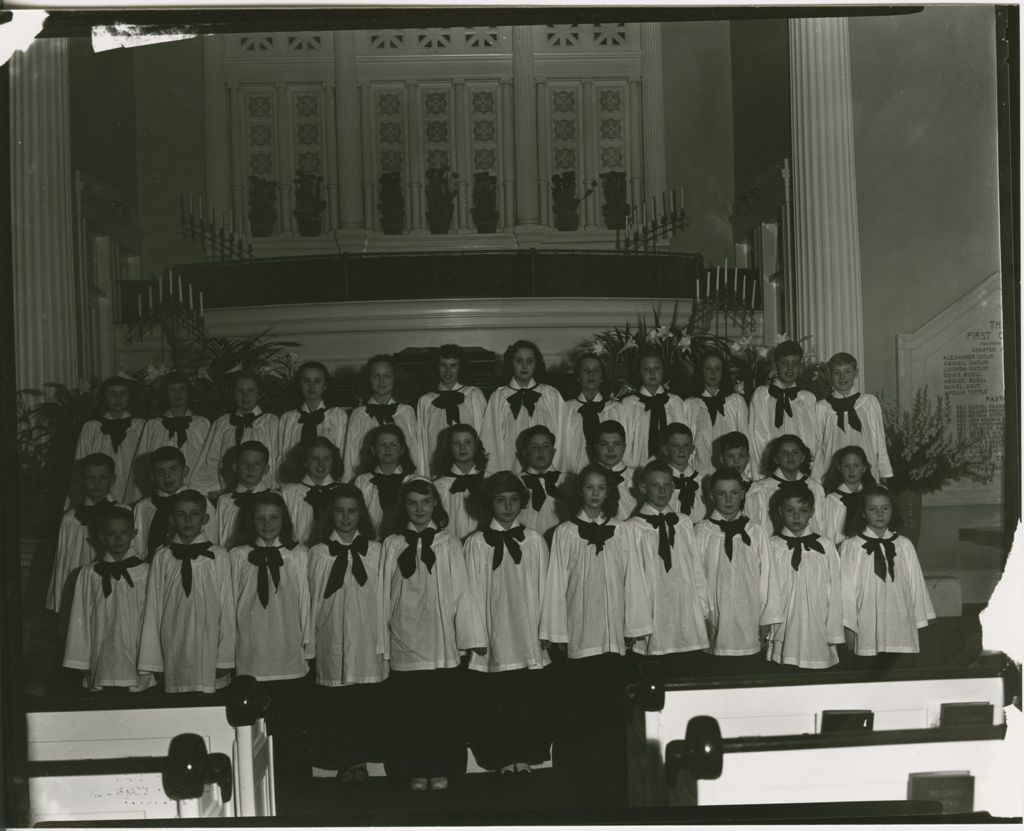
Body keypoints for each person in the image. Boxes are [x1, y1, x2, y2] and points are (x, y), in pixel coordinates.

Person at [540, 464, 651, 806]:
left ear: (609, 492)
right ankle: (581, 776)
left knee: (613, 707)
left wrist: (633, 626)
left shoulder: (623, 531)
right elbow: (556, 583)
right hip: (579, 633)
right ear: (579, 492)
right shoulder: (565, 533)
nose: (594, 493)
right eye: (588, 487)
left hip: (614, 635)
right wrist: (557, 631)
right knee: (580, 706)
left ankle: (613, 773)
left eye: (601, 488)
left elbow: (634, 578)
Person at [378, 479, 486, 792]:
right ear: (404, 507)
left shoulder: (448, 543)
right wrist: (382, 642)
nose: (420, 509)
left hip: (441, 640)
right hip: (405, 638)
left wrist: (469, 636)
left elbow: (462, 592)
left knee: (442, 712)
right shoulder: (393, 543)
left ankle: (442, 767)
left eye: (426, 503)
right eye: (413, 503)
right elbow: (383, 595)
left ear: (435, 505)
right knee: (410, 712)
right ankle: (414, 769)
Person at [463, 472, 552, 773]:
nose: (508, 506)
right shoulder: (476, 544)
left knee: (525, 697)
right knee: (496, 697)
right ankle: (501, 758)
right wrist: (476, 633)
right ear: (490, 504)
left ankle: (524, 757)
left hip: (526, 630)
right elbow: (470, 594)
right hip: (494, 632)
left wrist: (545, 629)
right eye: (501, 500)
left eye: (514, 500)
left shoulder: (535, 541)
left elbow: (545, 588)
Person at [228, 491, 313, 779]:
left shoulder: (297, 554)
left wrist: (306, 648)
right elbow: (230, 607)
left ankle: (297, 790)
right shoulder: (237, 556)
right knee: (255, 734)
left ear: (284, 520)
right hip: (251, 658)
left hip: (289, 656)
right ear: (251, 521)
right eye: (261, 518)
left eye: (274, 518)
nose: (267, 524)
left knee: (290, 731)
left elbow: (305, 603)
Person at [306, 485, 387, 782]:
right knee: (337, 705)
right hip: (332, 638)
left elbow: (383, 598)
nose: (345, 517)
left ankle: (361, 762)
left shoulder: (376, 551)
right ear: (330, 514)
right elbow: (310, 599)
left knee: (363, 703)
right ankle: (345, 762)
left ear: (361, 514)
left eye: (352, 511)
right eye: (339, 511)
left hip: (367, 637)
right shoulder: (317, 553)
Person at [138, 490, 235, 692]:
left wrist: (224, 658)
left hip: (209, 649)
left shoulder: (219, 556)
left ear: (205, 518)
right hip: (173, 646)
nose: (188, 520)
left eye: (195, 514)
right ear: (172, 519)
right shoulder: (163, 557)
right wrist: (153, 661)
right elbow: (153, 610)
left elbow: (227, 609)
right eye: (181, 514)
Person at [694, 468, 782, 675]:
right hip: (716, 619)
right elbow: (696, 579)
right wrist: (702, 617)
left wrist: (766, 619)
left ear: (742, 493)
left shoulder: (756, 531)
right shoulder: (701, 532)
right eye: (721, 493)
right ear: (710, 496)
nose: (728, 499)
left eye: (734, 492)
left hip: (749, 618)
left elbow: (768, 578)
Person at [627, 461, 710, 675]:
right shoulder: (632, 528)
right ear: (643, 488)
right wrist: (635, 622)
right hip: (653, 614)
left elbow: (696, 570)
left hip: (684, 613)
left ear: (673, 488)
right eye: (655, 485)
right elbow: (631, 580)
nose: (662, 490)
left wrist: (703, 612)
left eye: (666, 485)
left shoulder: (683, 523)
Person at [839, 486, 935, 670]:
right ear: (863, 513)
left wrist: (918, 620)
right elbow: (845, 591)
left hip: (900, 621)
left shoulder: (904, 545)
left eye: (885, 508)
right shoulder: (851, 547)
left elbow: (915, 584)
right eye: (872, 509)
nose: (880, 513)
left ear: (893, 510)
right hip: (866, 622)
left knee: (900, 673)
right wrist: (848, 625)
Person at [62, 506, 154, 692]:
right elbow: (79, 621)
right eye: (111, 533)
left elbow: (152, 620)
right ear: (101, 536)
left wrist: (151, 662)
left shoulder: (146, 572)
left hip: (137, 661)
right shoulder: (89, 574)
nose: (118, 538)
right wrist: (81, 663)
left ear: (134, 533)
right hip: (101, 659)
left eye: (123, 532)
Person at [765, 485, 844, 670]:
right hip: (784, 625)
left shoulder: (825, 545)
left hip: (818, 625)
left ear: (812, 512)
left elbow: (836, 590)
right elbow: (766, 591)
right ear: (779, 512)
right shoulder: (772, 547)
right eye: (790, 510)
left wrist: (833, 630)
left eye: (803, 510)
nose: (796, 516)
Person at [47, 454, 119, 614]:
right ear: (80, 479)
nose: (96, 483)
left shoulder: (123, 514)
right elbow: (63, 563)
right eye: (90, 478)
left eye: (103, 477)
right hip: (79, 587)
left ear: (113, 479)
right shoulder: (70, 519)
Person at [191, 372, 280, 499]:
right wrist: (213, 490)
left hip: (264, 494)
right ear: (233, 394)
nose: (245, 395)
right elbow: (210, 459)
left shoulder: (270, 422)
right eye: (240, 391)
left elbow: (278, 458)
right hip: (229, 495)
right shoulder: (222, 423)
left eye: (250, 390)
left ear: (259, 394)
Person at [481, 340, 565, 473]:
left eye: (530, 361)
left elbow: (561, 436)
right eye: (519, 361)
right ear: (511, 363)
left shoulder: (550, 394)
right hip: (510, 472)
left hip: (546, 472)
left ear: (536, 364)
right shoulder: (498, 397)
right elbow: (491, 440)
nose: (524, 366)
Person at [813, 352, 892, 482]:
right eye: (837, 372)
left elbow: (879, 438)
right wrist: (817, 475)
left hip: (865, 467)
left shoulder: (868, 402)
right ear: (830, 374)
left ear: (856, 373)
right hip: (833, 468)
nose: (842, 377)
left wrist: (884, 470)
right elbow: (818, 444)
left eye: (847, 371)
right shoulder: (822, 407)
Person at [343, 355, 421, 482]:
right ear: (368, 379)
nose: (381, 380)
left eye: (387, 376)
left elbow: (415, 450)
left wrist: (418, 479)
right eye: (375, 376)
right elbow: (349, 455)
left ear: (395, 378)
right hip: (367, 482)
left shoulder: (406, 411)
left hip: (402, 480)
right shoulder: (359, 414)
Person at [70, 376, 146, 505]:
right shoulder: (91, 427)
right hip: (98, 490)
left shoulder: (140, 426)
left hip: (133, 490)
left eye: (123, 393)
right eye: (112, 394)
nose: (118, 398)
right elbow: (80, 460)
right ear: (104, 397)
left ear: (130, 396)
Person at [134, 446, 218, 560]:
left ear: (185, 471)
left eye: (173, 469)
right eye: (160, 471)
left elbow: (211, 543)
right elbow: (139, 547)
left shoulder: (201, 503)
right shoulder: (142, 507)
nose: (167, 476)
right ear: (152, 476)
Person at [133, 371, 211, 493]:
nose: (178, 394)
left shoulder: (202, 423)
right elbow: (144, 466)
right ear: (165, 393)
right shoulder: (153, 426)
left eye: (182, 389)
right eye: (172, 390)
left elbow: (210, 459)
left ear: (189, 392)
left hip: (198, 490)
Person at [748, 340, 818, 475]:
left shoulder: (807, 399)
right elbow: (758, 437)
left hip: (799, 472)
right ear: (775, 364)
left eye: (795, 364)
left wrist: (804, 471)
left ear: (801, 366)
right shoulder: (762, 395)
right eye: (784, 363)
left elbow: (811, 439)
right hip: (770, 472)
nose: (790, 368)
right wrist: (768, 473)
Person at [416, 345, 487, 476]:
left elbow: (483, 434)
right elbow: (422, 444)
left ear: (461, 368)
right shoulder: (425, 401)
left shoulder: (473, 395)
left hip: (472, 470)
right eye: (443, 365)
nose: (448, 371)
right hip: (438, 470)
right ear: (436, 367)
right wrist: (423, 475)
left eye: (453, 365)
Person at [277, 361, 348, 485]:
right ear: (299, 384)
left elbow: (344, 454)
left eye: (317, 381)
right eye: (306, 381)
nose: (311, 386)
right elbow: (281, 456)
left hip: (330, 484)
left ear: (325, 385)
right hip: (296, 485)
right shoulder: (288, 418)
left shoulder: (337, 415)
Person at [681, 351, 749, 475]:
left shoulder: (735, 402)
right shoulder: (690, 405)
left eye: (718, 368)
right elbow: (687, 446)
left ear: (724, 372)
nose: (713, 373)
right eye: (708, 368)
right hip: (700, 473)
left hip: (732, 474)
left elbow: (745, 440)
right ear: (700, 371)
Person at [618, 346, 686, 468]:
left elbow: (684, 438)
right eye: (647, 369)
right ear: (639, 373)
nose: (652, 373)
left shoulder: (675, 402)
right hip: (636, 470)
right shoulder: (628, 404)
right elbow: (624, 441)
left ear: (663, 370)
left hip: (671, 470)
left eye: (657, 368)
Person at [745, 435, 826, 534]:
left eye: (795, 452)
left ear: (803, 457)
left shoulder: (815, 487)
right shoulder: (761, 490)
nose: (790, 457)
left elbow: (821, 525)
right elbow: (753, 530)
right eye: (784, 453)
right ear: (776, 458)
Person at [353, 424, 417, 538]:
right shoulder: (362, 481)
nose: (388, 449)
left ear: (402, 450)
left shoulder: (412, 480)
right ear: (373, 449)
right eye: (382, 445)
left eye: (393, 444)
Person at [561, 355, 620, 473]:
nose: (591, 374)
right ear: (578, 377)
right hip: (572, 476)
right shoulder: (565, 409)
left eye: (596, 370)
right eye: (585, 370)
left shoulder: (616, 409)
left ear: (602, 377)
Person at [280, 437, 341, 546]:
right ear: (305, 462)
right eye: (314, 458)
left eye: (326, 458)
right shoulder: (288, 493)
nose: (321, 463)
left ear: (333, 461)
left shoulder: (342, 492)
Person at [214, 440, 274, 549]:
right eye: (245, 463)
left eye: (257, 464)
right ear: (235, 467)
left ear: (266, 469)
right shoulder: (224, 501)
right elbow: (218, 537)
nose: (250, 469)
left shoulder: (276, 498)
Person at [433, 424, 488, 540]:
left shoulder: (490, 481)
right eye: (456, 443)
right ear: (449, 448)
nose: (462, 448)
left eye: (468, 442)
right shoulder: (439, 486)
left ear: (476, 446)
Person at [517, 425, 568, 540]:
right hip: (525, 546)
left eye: (546, 447)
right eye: (534, 447)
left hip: (561, 544)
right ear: (525, 453)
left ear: (554, 452)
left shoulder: (568, 482)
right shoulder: (514, 482)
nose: (540, 451)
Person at [820, 446, 877, 546]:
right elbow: (828, 535)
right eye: (846, 466)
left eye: (856, 465)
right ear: (839, 468)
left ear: (864, 468)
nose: (851, 470)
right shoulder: (832, 500)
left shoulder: (871, 497)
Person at [657, 423, 706, 522]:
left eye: (686, 445)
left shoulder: (702, 482)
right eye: (675, 445)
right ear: (665, 450)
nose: (681, 450)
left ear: (692, 449)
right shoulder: (659, 482)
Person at [592, 420, 636, 520]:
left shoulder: (637, 478)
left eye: (617, 444)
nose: (610, 449)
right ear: (596, 447)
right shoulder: (587, 479)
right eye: (604, 444)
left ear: (624, 447)